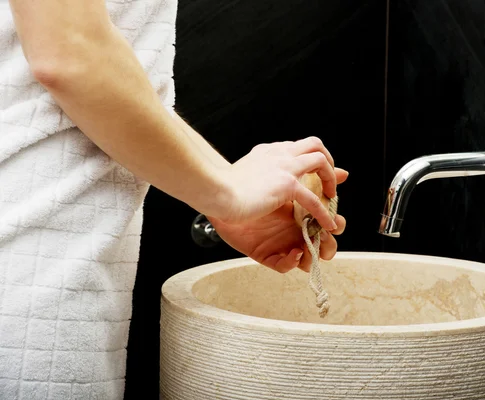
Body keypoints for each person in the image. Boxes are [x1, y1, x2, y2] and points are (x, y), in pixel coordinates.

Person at [0, 0, 347, 398]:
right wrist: (226, 191)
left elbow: (113, 69)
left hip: (52, 250)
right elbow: (71, 53)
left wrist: (222, 186)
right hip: (30, 260)